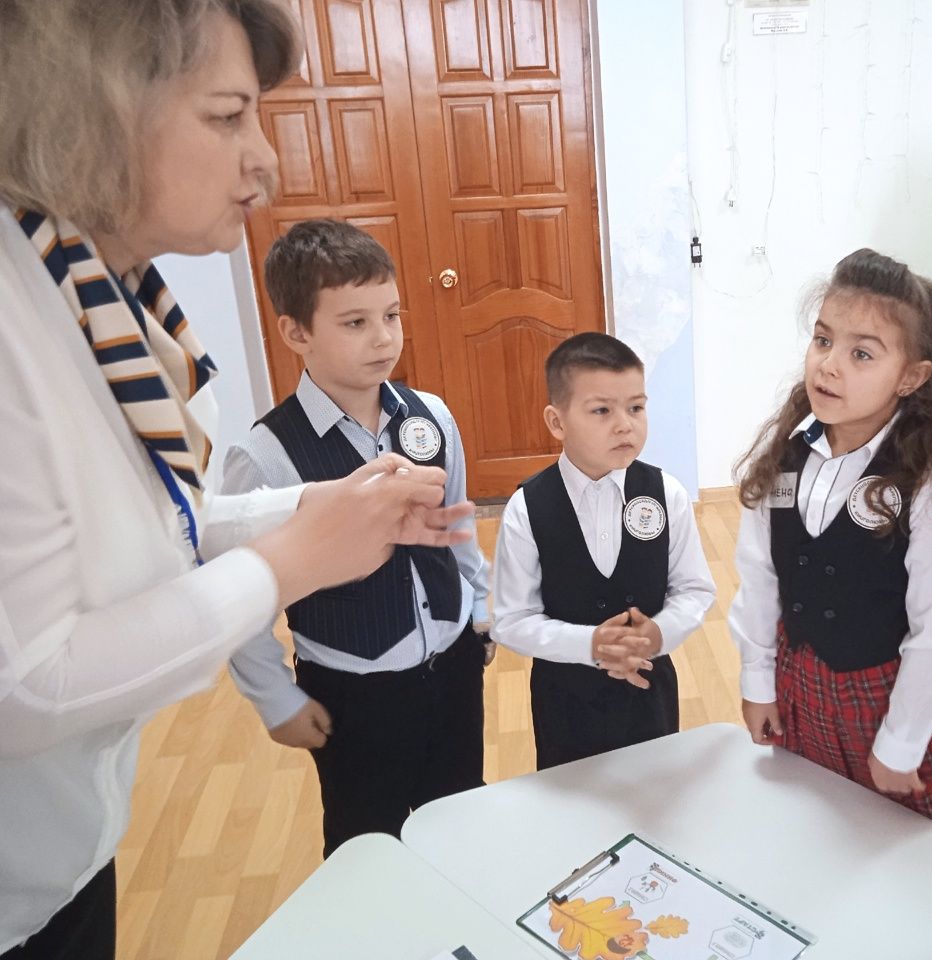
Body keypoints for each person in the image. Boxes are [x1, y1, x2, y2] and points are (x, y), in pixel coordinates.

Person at [0, 4, 471, 956]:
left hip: (66, 856)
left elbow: (160, 523)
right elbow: (23, 685)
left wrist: (310, 507)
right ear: (91, 111)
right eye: (227, 117)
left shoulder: (99, 291)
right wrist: (289, 562)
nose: (265, 159)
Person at [225, 219, 491, 858]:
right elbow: (239, 598)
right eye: (355, 322)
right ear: (297, 332)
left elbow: (457, 526)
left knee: (461, 817)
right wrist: (275, 699)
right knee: (365, 839)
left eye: (392, 315)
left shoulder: (432, 416)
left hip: (452, 663)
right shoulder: (265, 456)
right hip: (354, 689)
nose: (384, 337)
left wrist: (478, 610)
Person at [729, 248, 932, 829]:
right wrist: (758, 682)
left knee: (906, 850)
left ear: (911, 377)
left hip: (886, 702)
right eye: (823, 340)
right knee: (815, 829)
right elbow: (760, 577)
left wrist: (900, 743)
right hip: (799, 690)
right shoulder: (784, 456)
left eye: (861, 354)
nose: (829, 366)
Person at [491, 332, 715, 769]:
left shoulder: (666, 493)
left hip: (650, 693)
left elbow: (694, 590)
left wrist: (658, 633)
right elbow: (511, 620)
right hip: (565, 704)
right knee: (571, 801)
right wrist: (591, 644)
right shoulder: (528, 507)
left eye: (636, 408)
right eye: (601, 411)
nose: (624, 425)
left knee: (655, 793)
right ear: (557, 422)